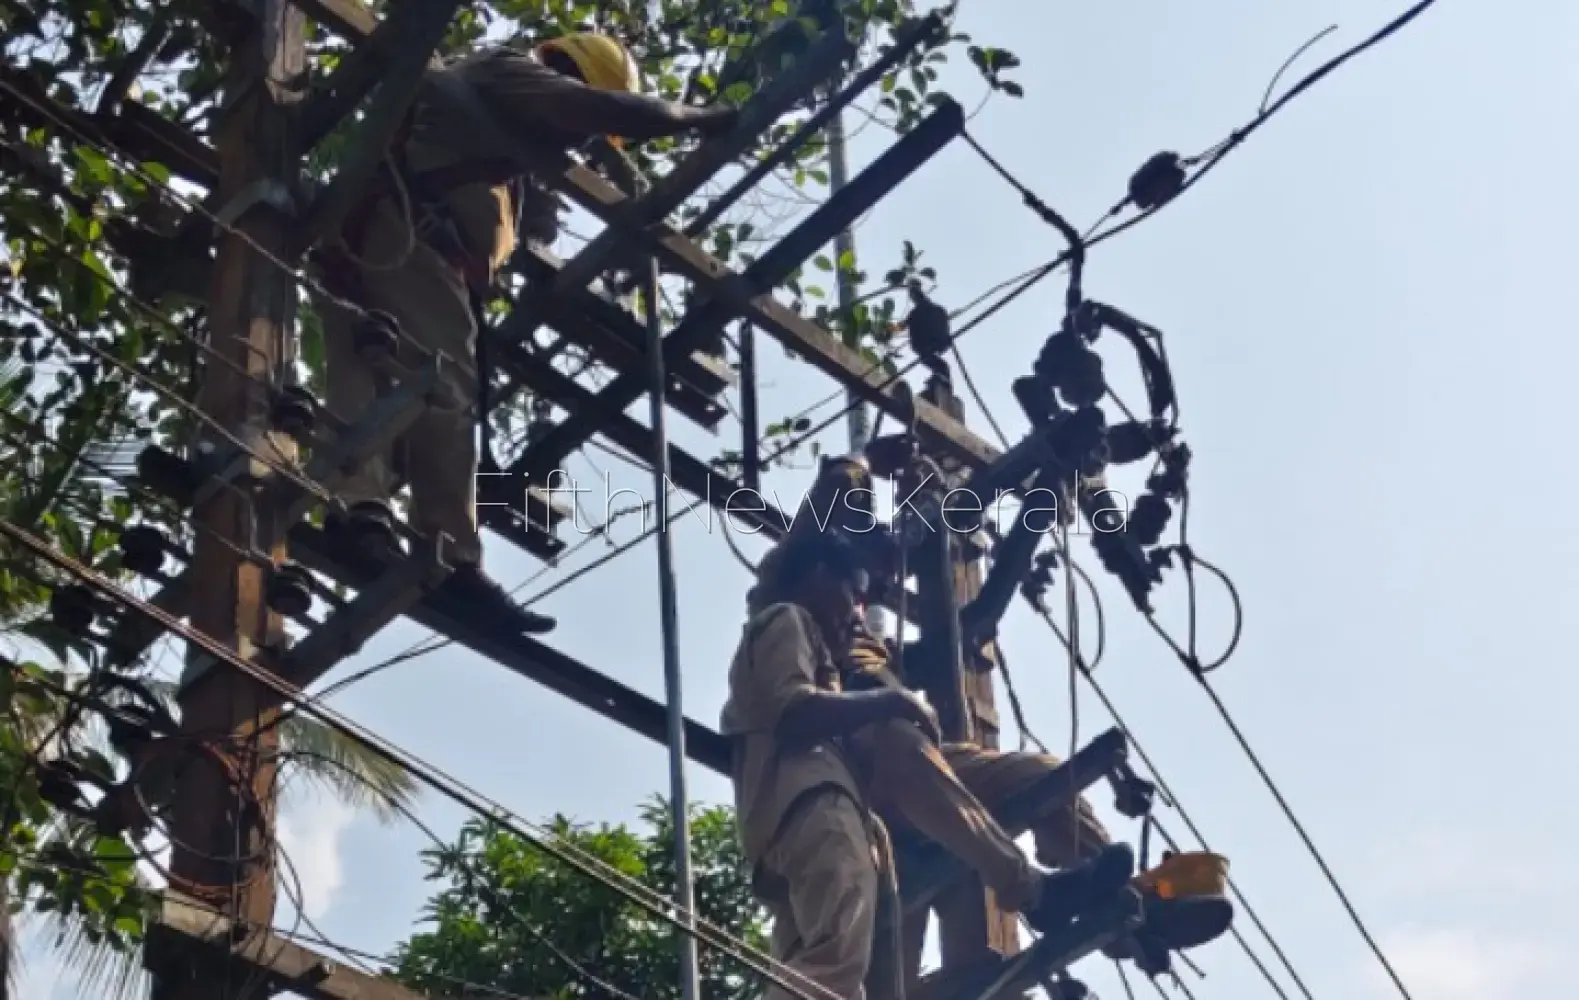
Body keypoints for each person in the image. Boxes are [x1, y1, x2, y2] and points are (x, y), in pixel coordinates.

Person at [315, 32, 738, 632]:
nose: (582, 140)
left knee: (368, 372)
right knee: (441, 389)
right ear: (568, 71)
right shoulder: (505, 70)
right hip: (406, 235)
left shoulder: (504, 148)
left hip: (380, 236)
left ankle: (360, 515)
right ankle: (450, 560)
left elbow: (537, 192)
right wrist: (700, 117)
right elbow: (594, 109)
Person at [750, 457, 1233, 975]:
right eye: (855, 580)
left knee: (1044, 775)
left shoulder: (869, 640)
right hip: (851, 779)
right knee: (876, 965)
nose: (863, 594)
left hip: (911, 775)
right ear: (824, 569)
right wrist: (862, 475)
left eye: (867, 585)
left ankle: (1122, 898)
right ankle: (1034, 895)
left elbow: (937, 635)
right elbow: (829, 497)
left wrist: (923, 496)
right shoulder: (787, 597)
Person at [722, 530, 1135, 1000]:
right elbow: (793, 712)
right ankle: (1031, 890)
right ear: (819, 574)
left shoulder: (840, 653)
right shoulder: (786, 618)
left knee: (831, 971)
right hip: (822, 800)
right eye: (854, 593)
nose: (858, 610)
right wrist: (890, 703)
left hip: (847, 809)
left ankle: (1103, 888)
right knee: (835, 963)